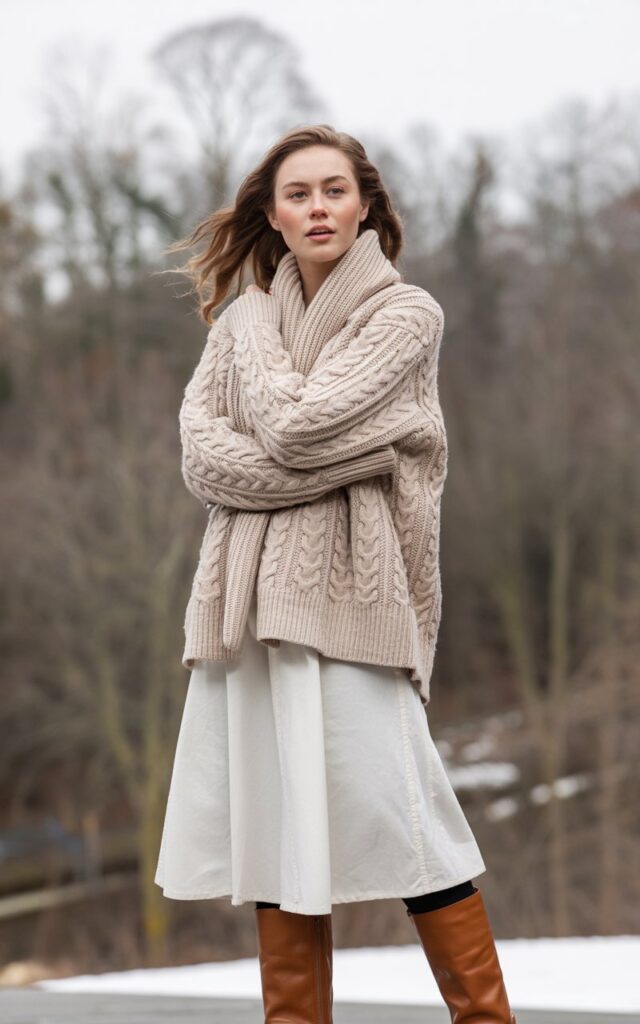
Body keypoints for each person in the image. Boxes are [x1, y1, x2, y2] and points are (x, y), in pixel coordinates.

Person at [154, 124, 517, 1023]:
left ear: (364, 208)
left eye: (334, 190)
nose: (317, 207)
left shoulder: (406, 315)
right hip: (246, 614)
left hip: (359, 604)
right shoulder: (241, 321)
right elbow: (202, 460)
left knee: (413, 824)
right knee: (279, 836)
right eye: (298, 194)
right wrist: (363, 451)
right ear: (274, 216)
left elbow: (291, 430)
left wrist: (271, 390)